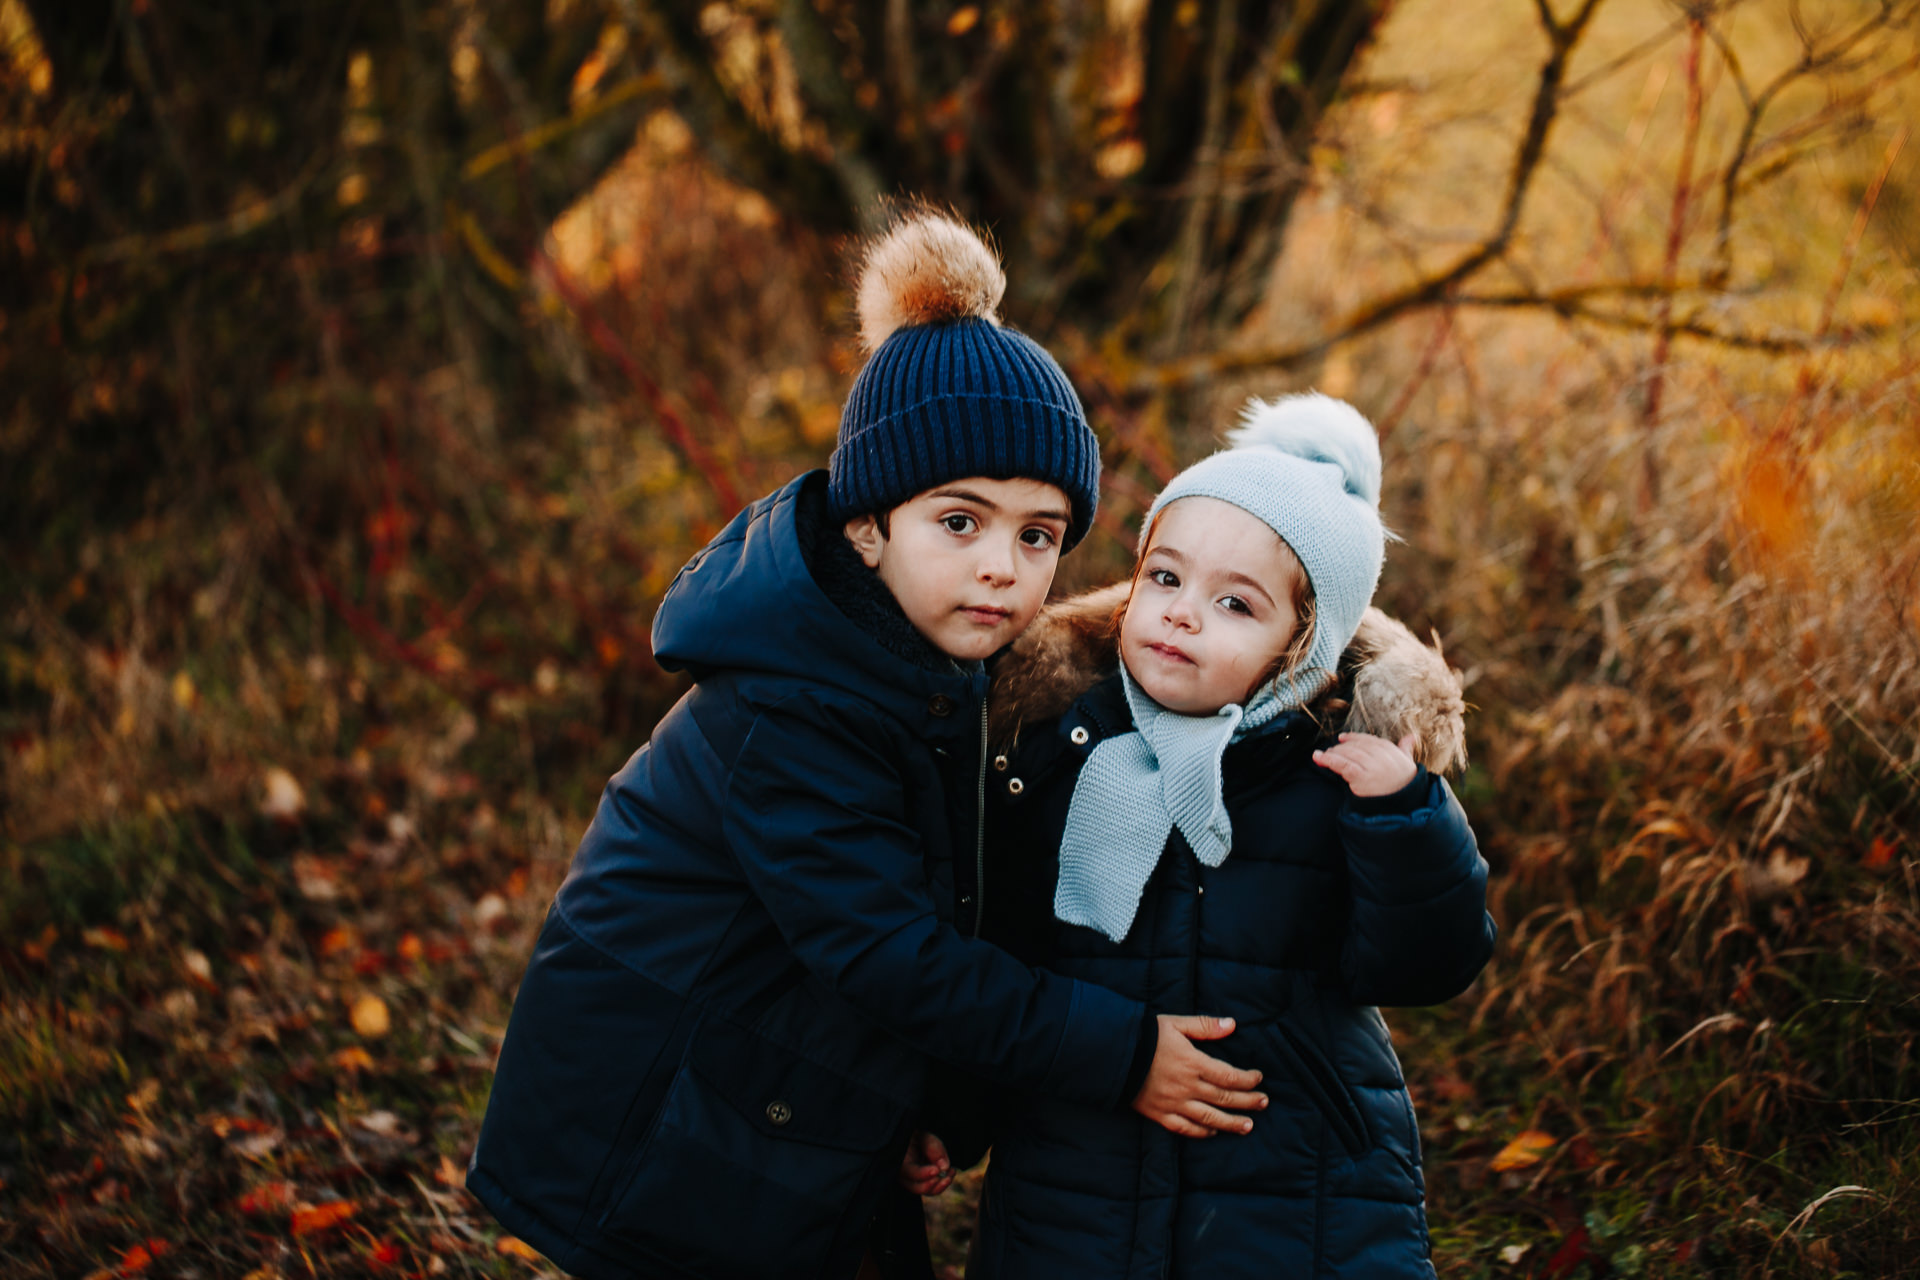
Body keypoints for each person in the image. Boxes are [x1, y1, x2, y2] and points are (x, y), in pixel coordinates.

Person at [464, 211, 1266, 1280]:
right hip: (656, 1110)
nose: (1002, 566)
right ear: (867, 525)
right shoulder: (798, 704)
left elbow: (940, 898)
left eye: (1037, 535)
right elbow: (888, 948)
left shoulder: (935, 672)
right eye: (960, 521)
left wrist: (934, 1100)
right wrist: (1120, 1054)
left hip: (783, 1080)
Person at [905, 394, 1495, 1278]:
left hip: (1293, 1186)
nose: (1182, 614)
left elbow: (1421, 966)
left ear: (1302, 648)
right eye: (1166, 579)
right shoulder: (1058, 754)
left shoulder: (1332, 778)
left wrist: (1405, 820)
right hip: (1079, 1182)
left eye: (1235, 604)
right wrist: (955, 1112)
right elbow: (1015, 963)